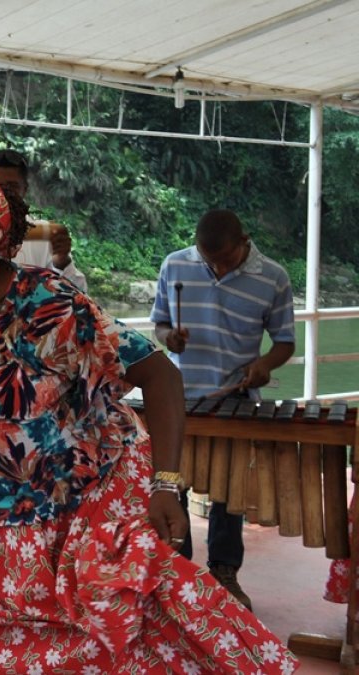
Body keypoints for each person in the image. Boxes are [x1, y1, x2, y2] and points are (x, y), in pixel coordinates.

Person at [0, 167, 297, 673]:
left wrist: (166, 485)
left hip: (84, 506)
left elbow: (159, 376)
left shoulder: (46, 303)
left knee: (129, 638)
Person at [151, 208, 296, 609]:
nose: (216, 266)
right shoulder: (175, 264)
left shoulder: (274, 277)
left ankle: (224, 574)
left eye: (225, 259)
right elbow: (159, 324)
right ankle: (178, 575)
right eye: (208, 258)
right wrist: (170, 338)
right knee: (170, 486)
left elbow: (284, 341)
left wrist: (264, 365)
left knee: (227, 494)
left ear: (244, 241)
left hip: (233, 398)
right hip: (178, 398)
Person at [0, 148, 88, 292]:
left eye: (12, 187)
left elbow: (78, 296)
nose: (2, 193)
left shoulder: (45, 237)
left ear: (24, 190)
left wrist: (61, 263)